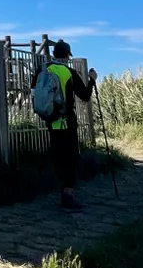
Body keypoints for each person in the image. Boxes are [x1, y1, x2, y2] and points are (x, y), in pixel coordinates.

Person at [32, 40, 98, 211]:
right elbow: (84, 95)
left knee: (58, 157)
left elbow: (34, 90)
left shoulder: (43, 69)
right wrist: (92, 80)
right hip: (67, 122)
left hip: (50, 121)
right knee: (70, 158)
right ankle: (67, 196)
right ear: (68, 55)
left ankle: (59, 187)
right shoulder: (68, 72)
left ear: (54, 54)